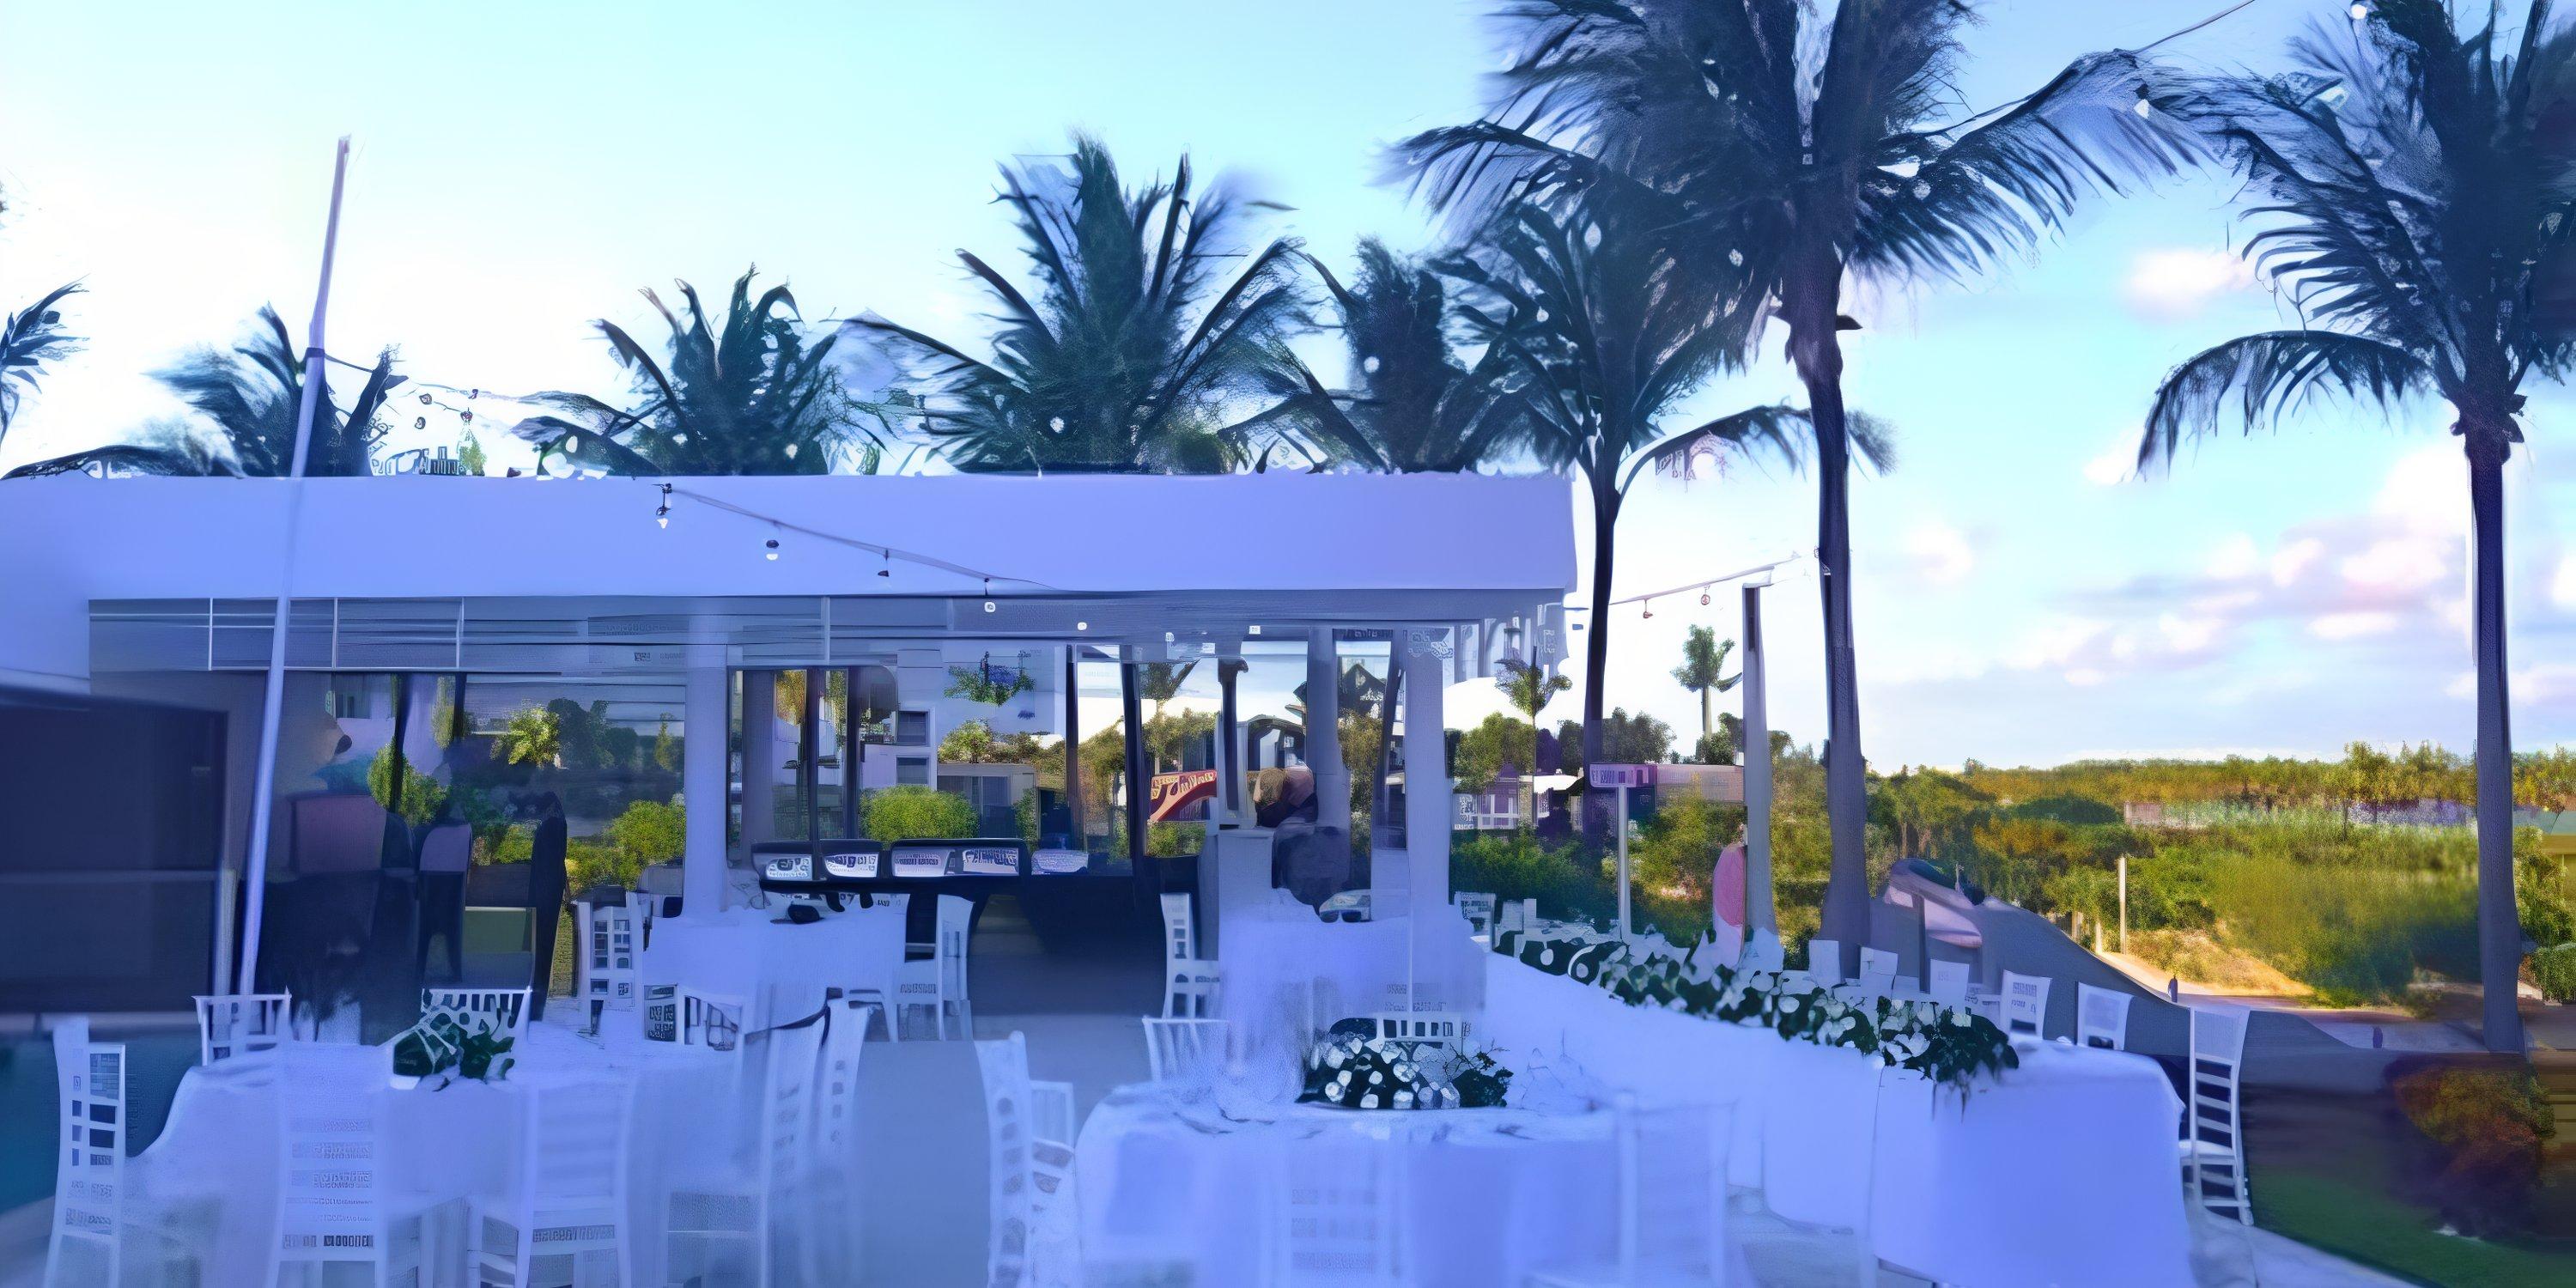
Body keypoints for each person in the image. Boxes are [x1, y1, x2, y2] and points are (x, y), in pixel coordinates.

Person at [526, 792, 569, 1019]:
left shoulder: (553, 826)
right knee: (541, 947)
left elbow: (549, 863)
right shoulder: (558, 824)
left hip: (544, 895)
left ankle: (535, 1004)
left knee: (539, 946)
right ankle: (535, 1004)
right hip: (548, 894)